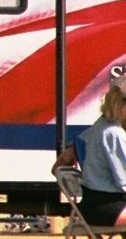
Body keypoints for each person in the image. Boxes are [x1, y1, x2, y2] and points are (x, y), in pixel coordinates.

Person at [54, 73, 126, 229]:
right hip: (107, 208)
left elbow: (66, 157)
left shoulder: (100, 125)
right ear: (122, 105)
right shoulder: (115, 134)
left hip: (92, 205)